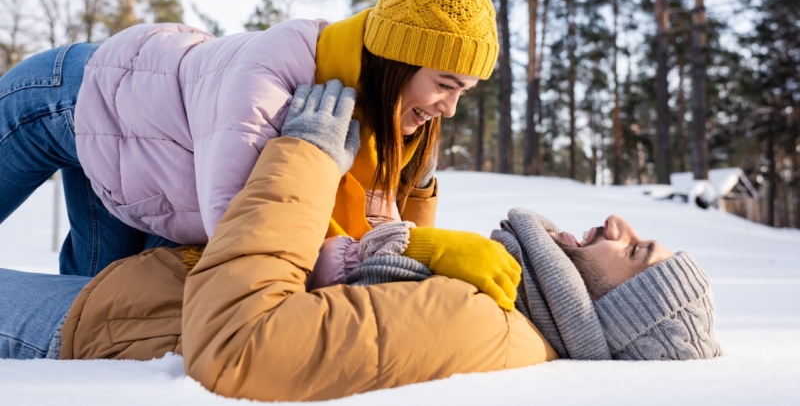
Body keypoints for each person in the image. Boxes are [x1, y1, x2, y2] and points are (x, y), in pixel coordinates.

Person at [0, 85, 721, 401]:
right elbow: (381, 292)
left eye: (633, 255)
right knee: (86, 136)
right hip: (143, 294)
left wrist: (307, 155)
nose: (620, 229)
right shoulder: (506, 297)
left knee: (44, 99)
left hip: (105, 329)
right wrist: (413, 189)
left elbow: (239, 348)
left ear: (606, 317)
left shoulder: (481, 328)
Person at [0, 0, 495, 276]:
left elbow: (391, 238)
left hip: (135, 159)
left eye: (464, 92)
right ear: (394, 62)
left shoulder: (385, 121)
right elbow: (239, 231)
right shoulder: (276, 78)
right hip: (64, 96)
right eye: (445, 85)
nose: (448, 109)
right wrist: (334, 260)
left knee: (95, 311)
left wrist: (420, 186)